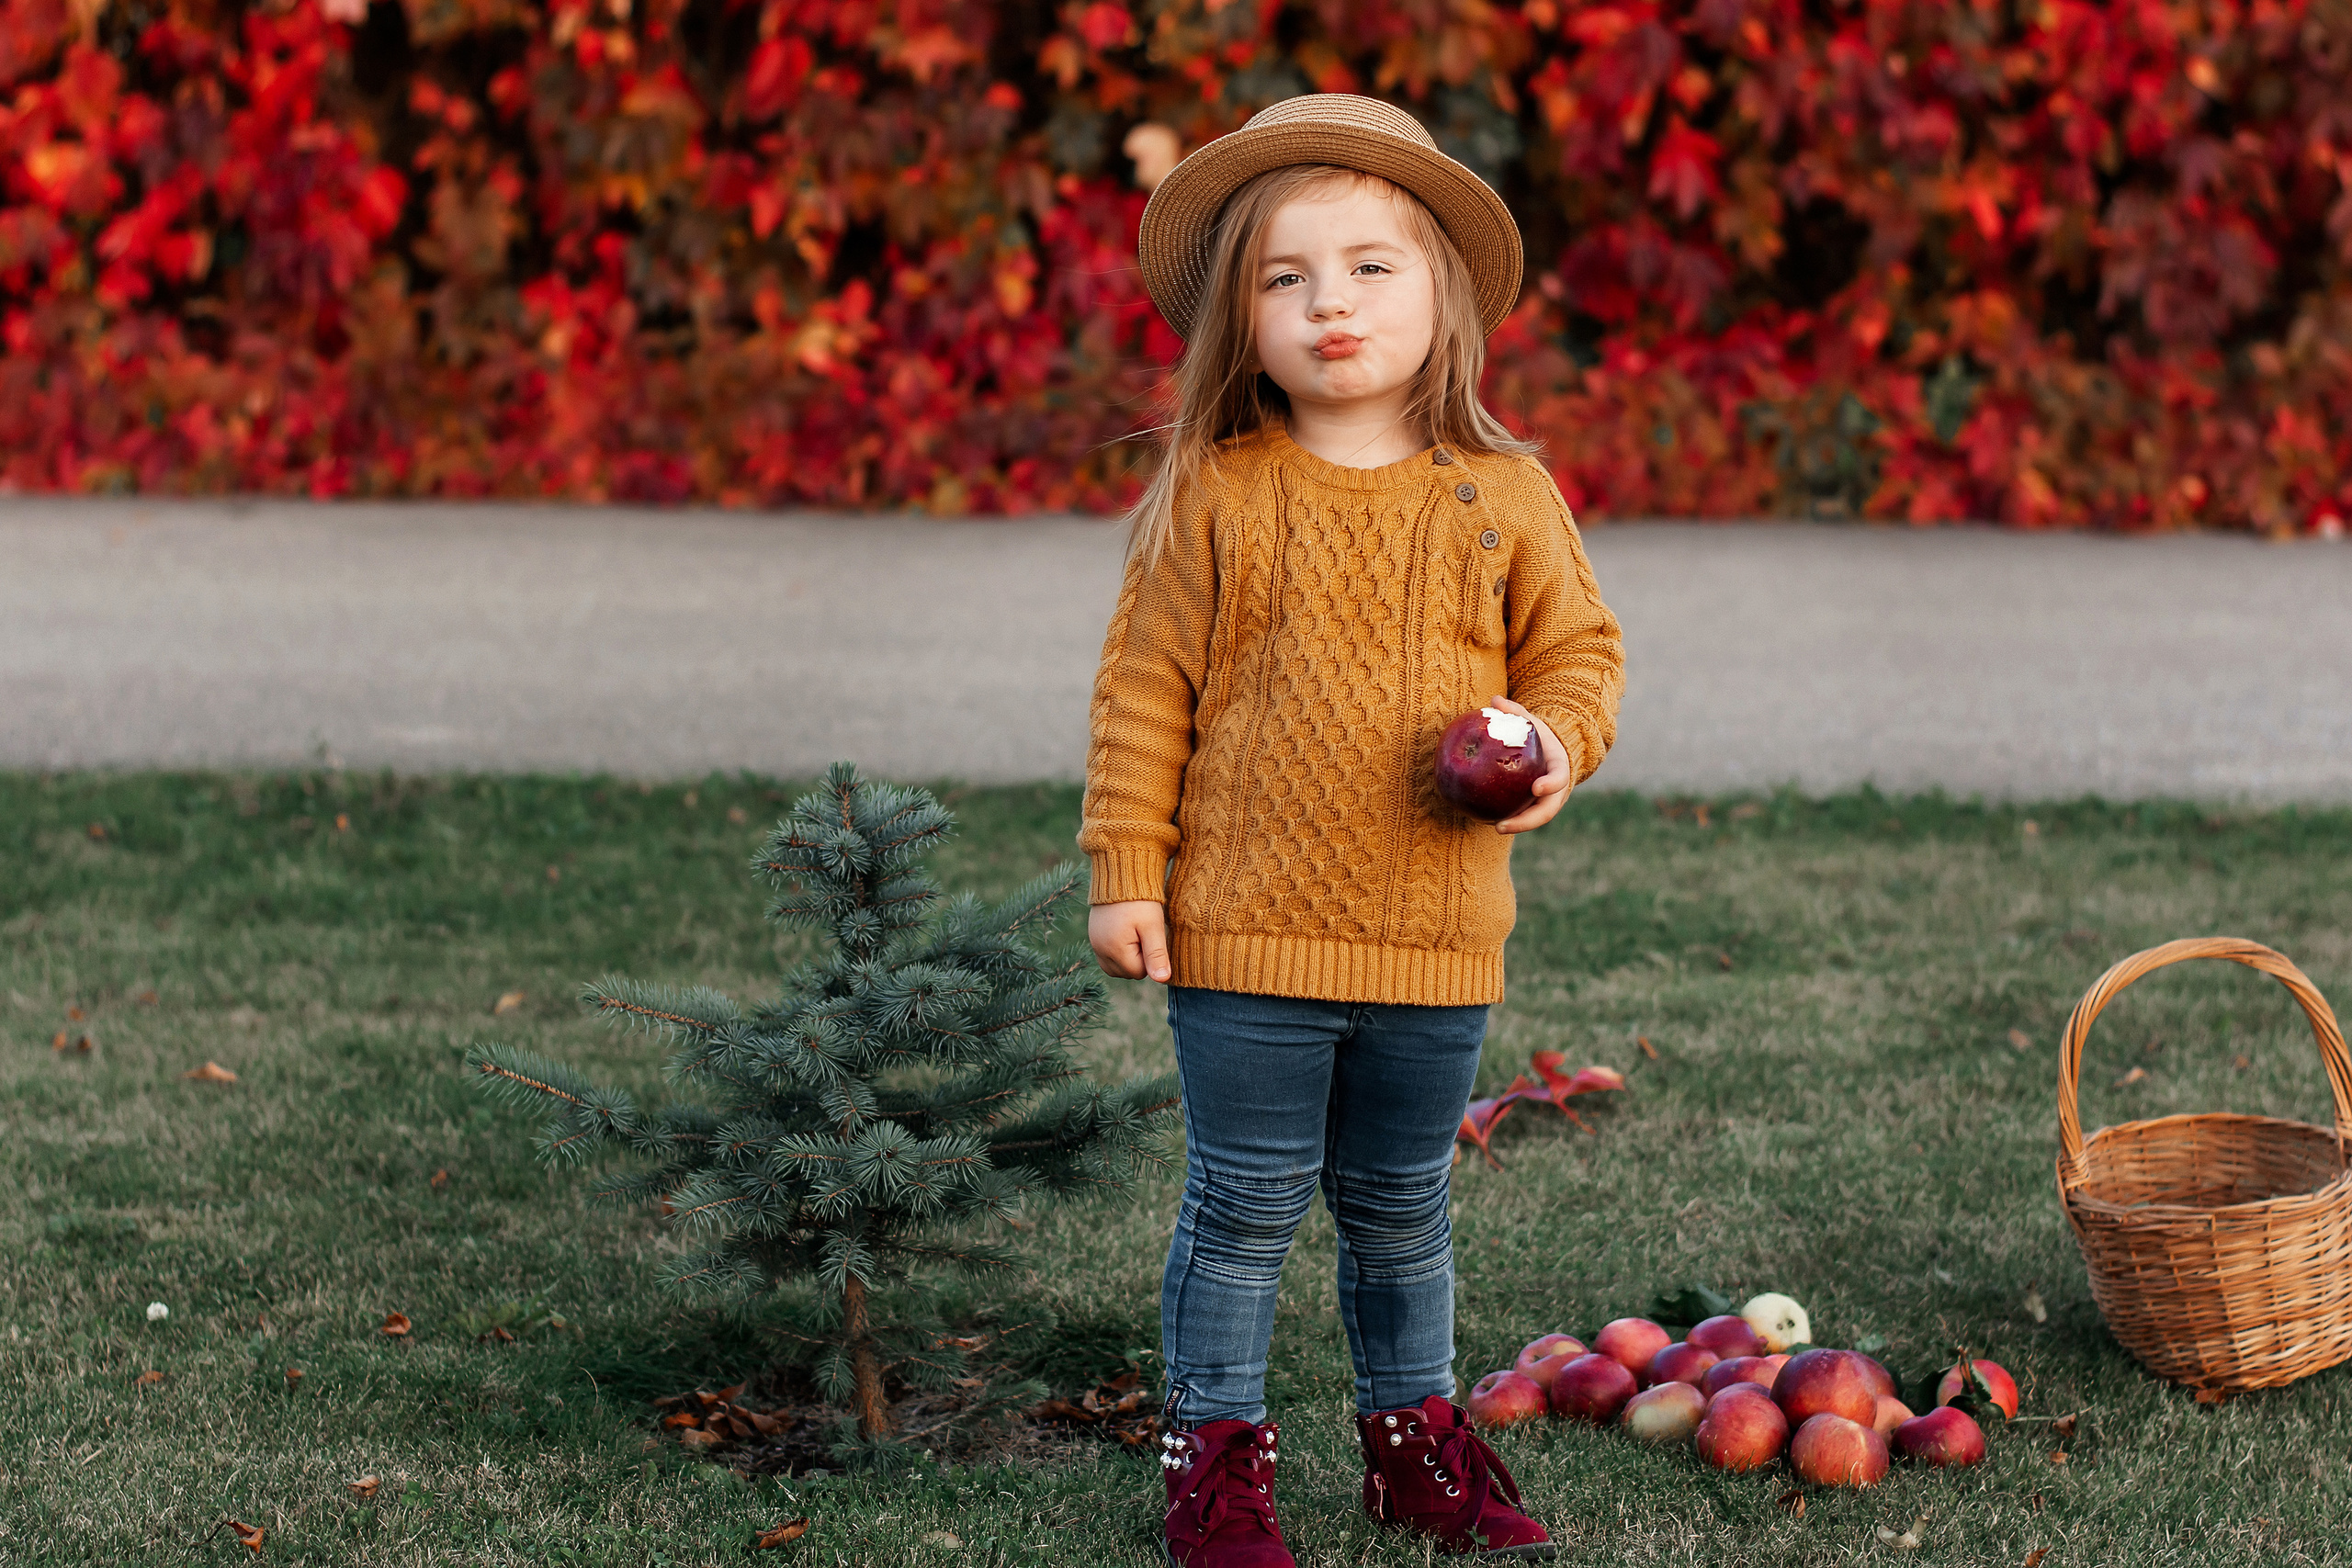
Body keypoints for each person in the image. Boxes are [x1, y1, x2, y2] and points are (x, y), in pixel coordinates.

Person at [1080, 94, 1625, 1566]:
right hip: (1245, 928)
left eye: (1373, 267)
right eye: (1286, 277)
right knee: (1245, 1208)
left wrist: (1553, 747)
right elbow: (1145, 692)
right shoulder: (1221, 493)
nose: (1331, 304)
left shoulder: (1502, 495)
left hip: (1436, 933)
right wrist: (1127, 873)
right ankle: (1216, 1467)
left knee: (1399, 1211)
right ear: (1238, 320)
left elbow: (1577, 658)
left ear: (1442, 292)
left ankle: (1414, 1453)